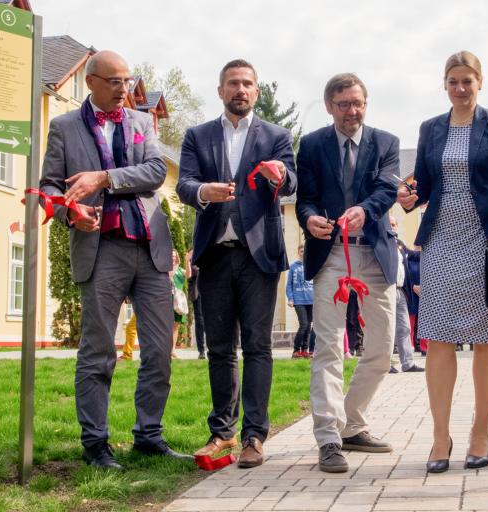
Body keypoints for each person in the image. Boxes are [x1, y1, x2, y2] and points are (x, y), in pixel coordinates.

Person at [39, 50, 189, 469]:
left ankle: (149, 436)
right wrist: (71, 212)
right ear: (91, 82)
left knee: (159, 350)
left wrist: (104, 179)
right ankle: (95, 444)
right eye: (115, 82)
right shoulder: (64, 128)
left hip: (150, 249)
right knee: (99, 350)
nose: (124, 89)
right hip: (101, 250)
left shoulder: (143, 123)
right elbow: (50, 186)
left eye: (128, 81)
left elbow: (156, 171)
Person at [398, 50, 488, 473]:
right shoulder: (430, 128)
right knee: (438, 336)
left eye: (467, 81)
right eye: (453, 81)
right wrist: (410, 196)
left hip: (484, 238)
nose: (460, 88)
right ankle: (439, 436)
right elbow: (424, 182)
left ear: (480, 82)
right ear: (445, 84)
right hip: (440, 240)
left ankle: (480, 430)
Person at [176, 59, 296, 468]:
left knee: (258, 347)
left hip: (258, 255)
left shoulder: (277, 136)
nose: (239, 90)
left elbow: (291, 181)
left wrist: (280, 174)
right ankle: (222, 432)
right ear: (220, 90)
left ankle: (255, 437)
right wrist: (204, 192)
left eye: (247, 83)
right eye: (232, 83)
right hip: (213, 254)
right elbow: (184, 184)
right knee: (220, 349)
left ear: (256, 92)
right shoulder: (198, 135)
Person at [296, 73, 400, 473]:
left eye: (358, 103)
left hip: (374, 253)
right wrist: (308, 220)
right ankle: (327, 438)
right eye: (344, 105)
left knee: (383, 345)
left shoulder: (386, 143)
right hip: (332, 254)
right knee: (328, 345)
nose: (352, 111)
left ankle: (352, 423)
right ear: (329, 107)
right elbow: (304, 198)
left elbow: (387, 189)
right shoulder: (312, 145)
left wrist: (365, 210)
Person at [390, 215, 424, 373]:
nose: (393, 227)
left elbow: (413, 254)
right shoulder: (379, 243)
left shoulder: (399, 244)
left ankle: (408, 363)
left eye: (394, 224)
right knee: (386, 330)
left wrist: (429, 250)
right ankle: (385, 364)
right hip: (386, 290)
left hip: (401, 291)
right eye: (390, 224)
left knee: (404, 328)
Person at [286, 245, 315, 358]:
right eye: (301, 251)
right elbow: (289, 285)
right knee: (303, 325)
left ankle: (304, 350)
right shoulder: (293, 266)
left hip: (311, 300)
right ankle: (296, 350)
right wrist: (290, 298)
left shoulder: (311, 265)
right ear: (298, 252)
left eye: (305, 251)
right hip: (298, 300)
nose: (303, 253)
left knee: (308, 327)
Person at [169, 250, 188, 359]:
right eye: (171, 256)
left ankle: (173, 351)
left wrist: (187, 262)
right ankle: (166, 350)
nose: (173, 258)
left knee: (175, 326)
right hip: (167, 299)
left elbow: (188, 275)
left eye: (175, 256)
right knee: (167, 326)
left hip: (178, 301)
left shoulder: (180, 270)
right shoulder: (166, 270)